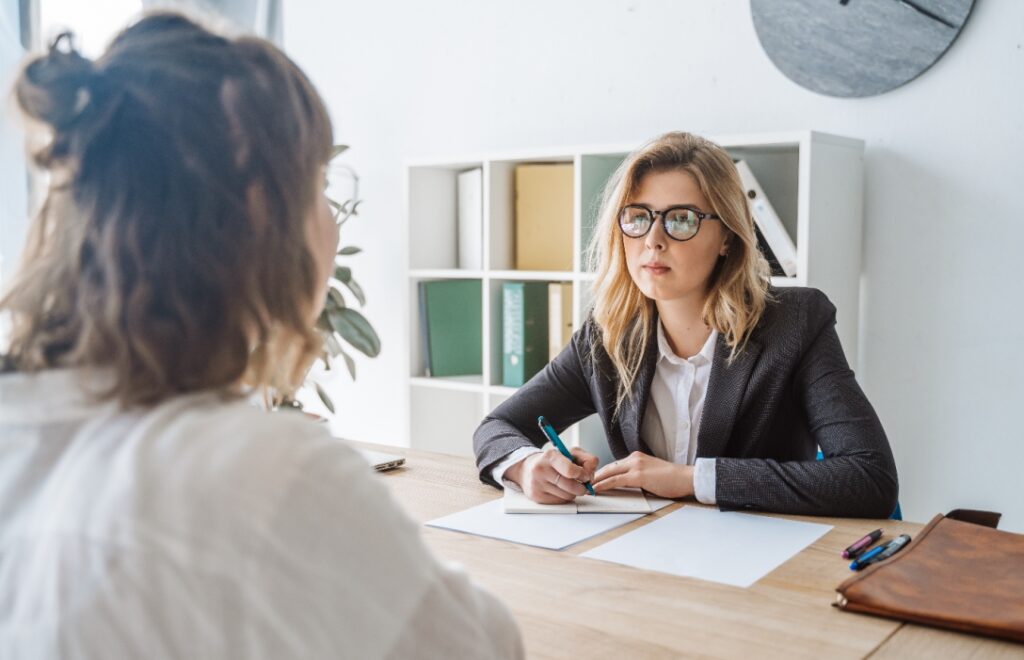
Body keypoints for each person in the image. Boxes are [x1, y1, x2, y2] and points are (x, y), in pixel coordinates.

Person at [0, 13, 522, 659]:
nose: (331, 221)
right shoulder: (264, 472)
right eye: (320, 186)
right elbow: (483, 646)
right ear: (260, 209)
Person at [473, 132, 898, 518]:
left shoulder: (796, 324)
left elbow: (868, 477)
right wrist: (527, 466)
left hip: (761, 563)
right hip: (650, 555)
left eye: (681, 220)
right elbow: (497, 428)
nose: (653, 240)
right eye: (638, 217)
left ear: (728, 236)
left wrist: (688, 479)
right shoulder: (606, 335)